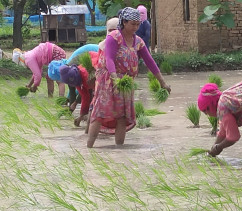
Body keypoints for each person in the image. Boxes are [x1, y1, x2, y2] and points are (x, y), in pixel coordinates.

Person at [87, 7, 171, 148]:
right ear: (124, 22)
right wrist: (115, 79)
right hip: (108, 80)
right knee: (100, 112)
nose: (136, 27)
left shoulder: (138, 41)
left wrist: (163, 82)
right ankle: (89, 148)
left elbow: (150, 61)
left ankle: (120, 149)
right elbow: (109, 59)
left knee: (122, 115)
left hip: (125, 82)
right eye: (132, 24)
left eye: (138, 24)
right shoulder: (114, 37)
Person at [60, 54, 98, 127]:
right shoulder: (76, 81)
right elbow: (85, 96)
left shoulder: (87, 74)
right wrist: (81, 116)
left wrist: (86, 114)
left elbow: (96, 92)